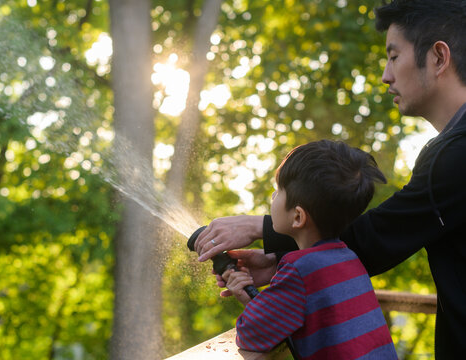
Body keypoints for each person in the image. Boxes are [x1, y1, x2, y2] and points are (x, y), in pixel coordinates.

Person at [195, 0, 466, 358]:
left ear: (438, 57)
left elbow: (378, 237)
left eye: (393, 56)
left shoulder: (454, 156)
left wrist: (261, 227)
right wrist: (278, 261)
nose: (386, 75)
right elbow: (374, 242)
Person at [221, 140, 396, 359]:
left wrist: (243, 293)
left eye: (279, 190)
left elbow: (252, 335)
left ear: (298, 216)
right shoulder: (348, 258)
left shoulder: (300, 269)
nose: (273, 197)